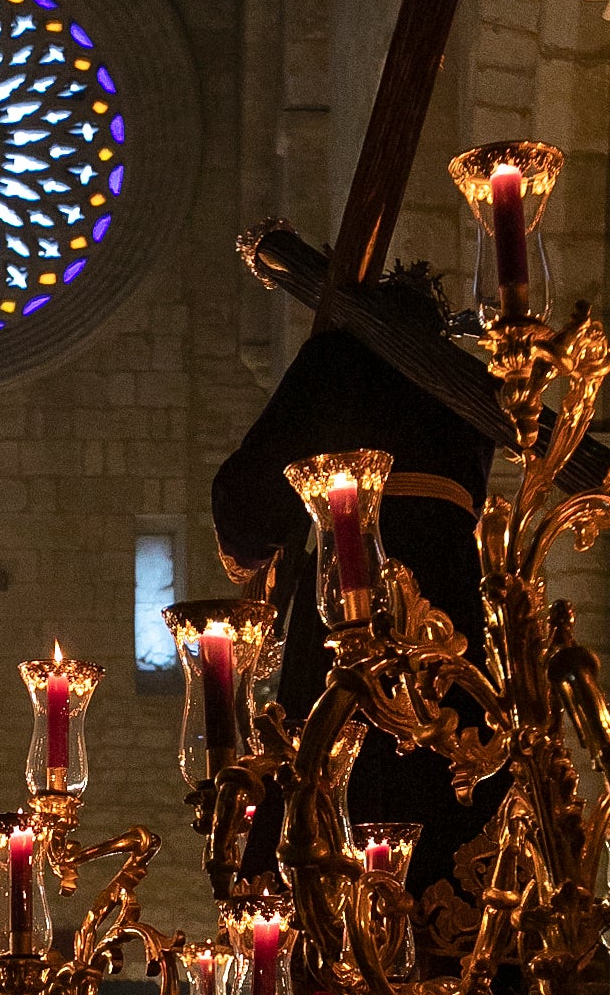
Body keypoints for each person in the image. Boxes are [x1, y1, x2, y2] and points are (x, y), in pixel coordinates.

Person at [211, 310, 505, 906]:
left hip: (349, 609)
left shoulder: (334, 363)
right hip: (459, 623)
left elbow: (246, 513)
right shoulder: (469, 379)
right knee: (466, 823)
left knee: (328, 797)